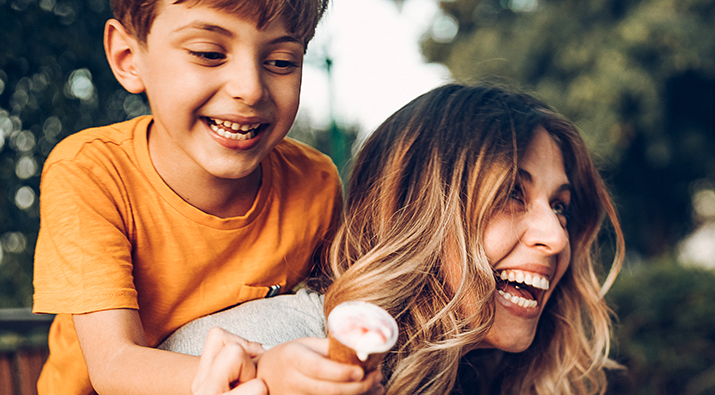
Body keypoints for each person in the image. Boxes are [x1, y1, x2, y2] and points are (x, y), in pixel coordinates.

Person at [160, 83, 626, 394]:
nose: (555, 237)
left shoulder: (475, 374)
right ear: (417, 212)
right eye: (511, 194)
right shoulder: (254, 355)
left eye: (559, 206)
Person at [31, 0, 376, 394]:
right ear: (128, 58)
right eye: (208, 54)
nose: (249, 89)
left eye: (281, 61)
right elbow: (113, 365)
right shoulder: (90, 172)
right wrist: (265, 373)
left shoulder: (314, 182)